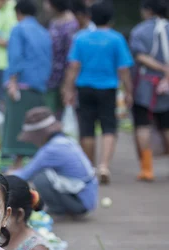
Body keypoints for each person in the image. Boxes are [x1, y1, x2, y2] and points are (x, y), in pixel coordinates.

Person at [63, 0, 134, 185]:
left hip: (84, 88)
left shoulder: (80, 37)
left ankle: (89, 168)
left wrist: (68, 89)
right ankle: (104, 165)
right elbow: (124, 68)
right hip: (108, 88)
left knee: (86, 127)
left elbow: (74, 66)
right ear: (111, 19)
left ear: (90, 17)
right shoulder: (116, 38)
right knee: (108, 126)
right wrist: (128, 91)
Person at [11, 107, 98, 217]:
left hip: (81, 202)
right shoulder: (64, 141)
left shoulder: (52, 150)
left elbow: (24, 175)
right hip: (86, 195)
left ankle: (58, 210)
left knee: (41, 178)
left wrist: (0, 178)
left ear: (39, 134)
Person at [2, 0, 52, 169]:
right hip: (38, 86)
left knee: (18, 126)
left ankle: (16, 165)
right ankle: (33, 165)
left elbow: (15, 57)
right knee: (35, 125)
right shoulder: (44, 32)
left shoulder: (19, 29)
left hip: (22, 84)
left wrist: (13, 82)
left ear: (18, 13)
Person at [129, 0, 169, 181]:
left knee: (143, 125)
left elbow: (139, 56)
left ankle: (147, 168)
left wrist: (161, 68)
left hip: (145, 86)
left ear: (148, 10)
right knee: (167, 125)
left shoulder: (139, 31)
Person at [43, 0, 79, 116]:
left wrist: (67, 83)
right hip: (51, 76)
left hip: (63, 77)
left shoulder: (71, 25)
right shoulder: (54, 22)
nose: (45, 5)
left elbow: (71, 57)